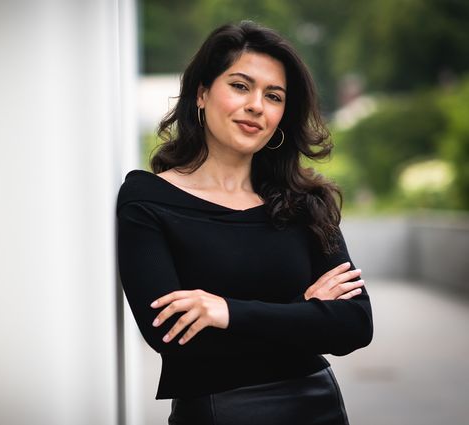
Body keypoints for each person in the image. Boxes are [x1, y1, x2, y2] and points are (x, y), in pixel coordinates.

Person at [116, 21, 373, 425]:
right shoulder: (148, 200)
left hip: (315, 406)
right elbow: (172, 339)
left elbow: (355, 323)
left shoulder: (305, 203)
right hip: (217, 412)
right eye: (240, 86)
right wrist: (306, 312)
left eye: (273, 96)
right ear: (201, 93)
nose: (257, 105)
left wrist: (226, 313)